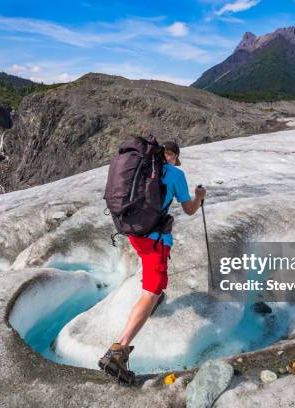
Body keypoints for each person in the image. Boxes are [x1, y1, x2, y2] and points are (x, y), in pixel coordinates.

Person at [98, 141, 206, 382]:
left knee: (148, 266)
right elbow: (188, 209)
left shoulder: (141, 169)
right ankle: (118, 352)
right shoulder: (175, 173)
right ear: (175, 157)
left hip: (136, 233)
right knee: (152, 291)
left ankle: (151, 299)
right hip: (156, 238)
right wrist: (199, 197)